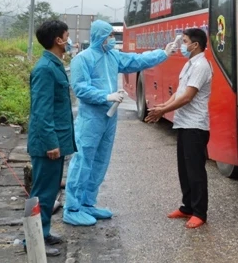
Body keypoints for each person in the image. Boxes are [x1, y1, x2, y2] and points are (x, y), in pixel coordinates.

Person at [63, 20, 176, 226]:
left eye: (113, 36)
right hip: (91, 119)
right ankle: (72, 208)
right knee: (83, 161)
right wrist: (105, 96)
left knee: (100, 161)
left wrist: (163, 53)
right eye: (109, 36)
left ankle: (88, 203)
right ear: (99, 37)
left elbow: (136, 60)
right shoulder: (82, 59)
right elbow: (80, 88)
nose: (112, 40)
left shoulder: (112, 56)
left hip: (109, 118)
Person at [145, 28, 212, 229]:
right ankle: (187, 207)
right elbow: (179, 92)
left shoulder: (201, 66)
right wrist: (163, 107)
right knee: (184, 170)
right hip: (184, 123)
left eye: (184, 41)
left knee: (195, 171)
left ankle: (200, 212)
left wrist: (162, 111)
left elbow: (188, 96)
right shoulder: (189, 64)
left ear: (195, 45)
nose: (181, 46)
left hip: (195, 125)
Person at [27, 19, 75, 256]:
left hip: (55, 141)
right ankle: (33, 242)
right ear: (58, 40)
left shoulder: (54, 64)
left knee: (48, 193)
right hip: (48, 144)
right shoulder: (45, 69)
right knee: (42, 193)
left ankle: (43, 232)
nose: (70, 40)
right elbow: (41, 111)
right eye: (67, 35)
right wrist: (51, 143)